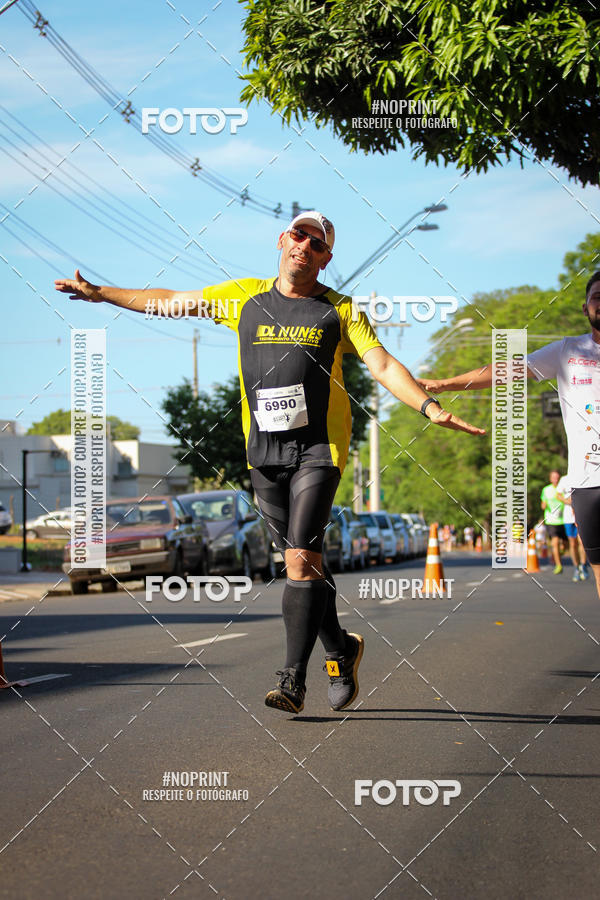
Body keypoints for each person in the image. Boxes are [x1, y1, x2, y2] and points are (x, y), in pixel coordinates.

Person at [56, 210, 484, 715]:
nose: (305, 245)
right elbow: (170, 301)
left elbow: (384, 364)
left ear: (326, 258)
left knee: (300, 559)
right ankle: (341, 650)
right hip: (263, 451)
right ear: (283, 239)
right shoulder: (244, 297)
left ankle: (292, 679)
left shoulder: (340, 310)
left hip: (319, 449)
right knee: (302, 562)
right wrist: (101, 293)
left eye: (317, 243)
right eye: (299, 235)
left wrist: (429, 408)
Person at [418, 270, 600, 599]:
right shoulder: (567, 350)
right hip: (587, 483)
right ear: (585, 308)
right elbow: (504, 370)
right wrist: (445, 384)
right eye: (597, 297)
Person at [556, 473, 590, 582]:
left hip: (580, 514)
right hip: (568, 517)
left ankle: (583, 565)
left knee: (581, 541)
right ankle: (576, 567)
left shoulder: (581, 476)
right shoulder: (564, 479)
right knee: (572, 543)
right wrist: (568, 501)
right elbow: (558, 495)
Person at [540, 469, 566, 574]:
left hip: (563, 519)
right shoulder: (546, 490)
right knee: (554, 542)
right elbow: (543, 504)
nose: (555, 479)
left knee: (565, 544)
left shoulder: (563, 488)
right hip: (551, 520)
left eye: (557, 477)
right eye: (553, 477)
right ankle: (558, 565)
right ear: (550, 479)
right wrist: (544, 505)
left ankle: (562, 551)